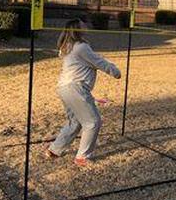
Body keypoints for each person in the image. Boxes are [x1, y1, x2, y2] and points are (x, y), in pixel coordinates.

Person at [45, 18, 121, 166]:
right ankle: (82, 158)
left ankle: (54, 150)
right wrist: (116, 72)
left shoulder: (68, 46)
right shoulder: (81, 47)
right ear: (77, 29)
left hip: (64, 88)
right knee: (93, 122)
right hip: (75, 88)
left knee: (74, 122)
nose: (85, 24)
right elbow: (99, 62)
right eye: (82, 23)